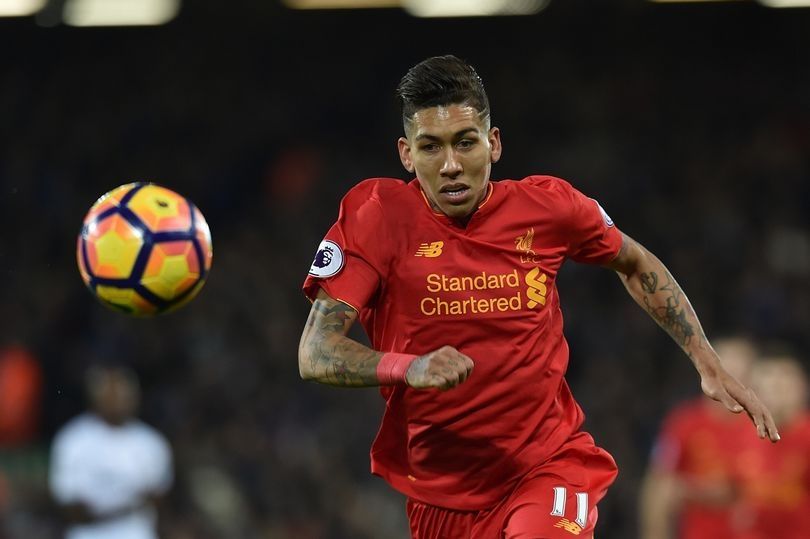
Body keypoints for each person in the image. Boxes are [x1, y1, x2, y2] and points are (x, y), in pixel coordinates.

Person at [298, 55, 779, 538]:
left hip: (546, 466)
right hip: (441, 492)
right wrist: (411, 367)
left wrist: (706, 361)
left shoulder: (548, 207)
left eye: (465, 142)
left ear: (493, 143)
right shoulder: (376, 217)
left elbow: (635, 263)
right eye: (430, 147)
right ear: (406, 154)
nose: (451, 165)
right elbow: (315, 352)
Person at [639, 337, 757, 539]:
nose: (731, 376)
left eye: (739, 369)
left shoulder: (764, 426)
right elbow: (659, 484)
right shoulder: (684, 422)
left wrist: (693, 491)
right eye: (724, 368)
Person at [49, 365, 172, 539]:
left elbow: (158, 498)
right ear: (95, 398)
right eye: (110, 395)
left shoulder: (151, 443)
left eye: (122, 395)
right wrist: (128, 505)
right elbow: (70, 506)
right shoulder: (72, 440)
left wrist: (106, 506)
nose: (117, 401)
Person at [730, 347, 810, 539]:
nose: (776, 393)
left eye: (783, 386)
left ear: (802, 388)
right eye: (769, 386)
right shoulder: (736, 434)